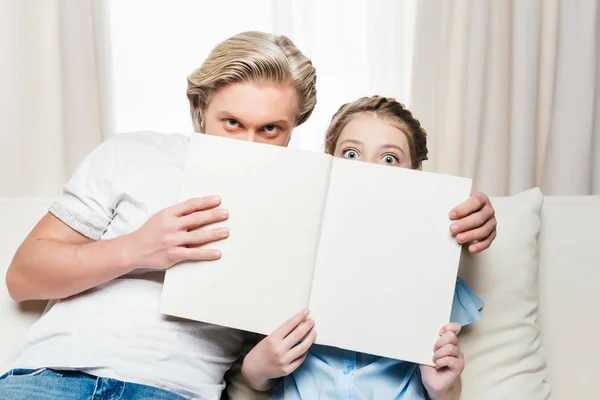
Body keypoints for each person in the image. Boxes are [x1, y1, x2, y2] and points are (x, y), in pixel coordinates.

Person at [1, 30, 495, 399]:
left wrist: (469, 215)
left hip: (176, 391)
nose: (250, 144)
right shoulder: (132, 153)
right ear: (199, 110)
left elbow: (390, 220)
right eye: (232, 123)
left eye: (271, 129)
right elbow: (23, 278)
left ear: (294, 128)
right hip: (51, 377)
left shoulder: (306, 197)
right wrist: (138, 249)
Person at [240, 96, 484, 400]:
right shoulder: (295, 264)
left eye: (390, 158)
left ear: (416, 175)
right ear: (328, 163)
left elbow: (446, 388)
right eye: (351, 153)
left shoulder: (433, 275)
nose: (368, 170)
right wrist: (256, 367)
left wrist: (443, 388)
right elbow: (258, 376)